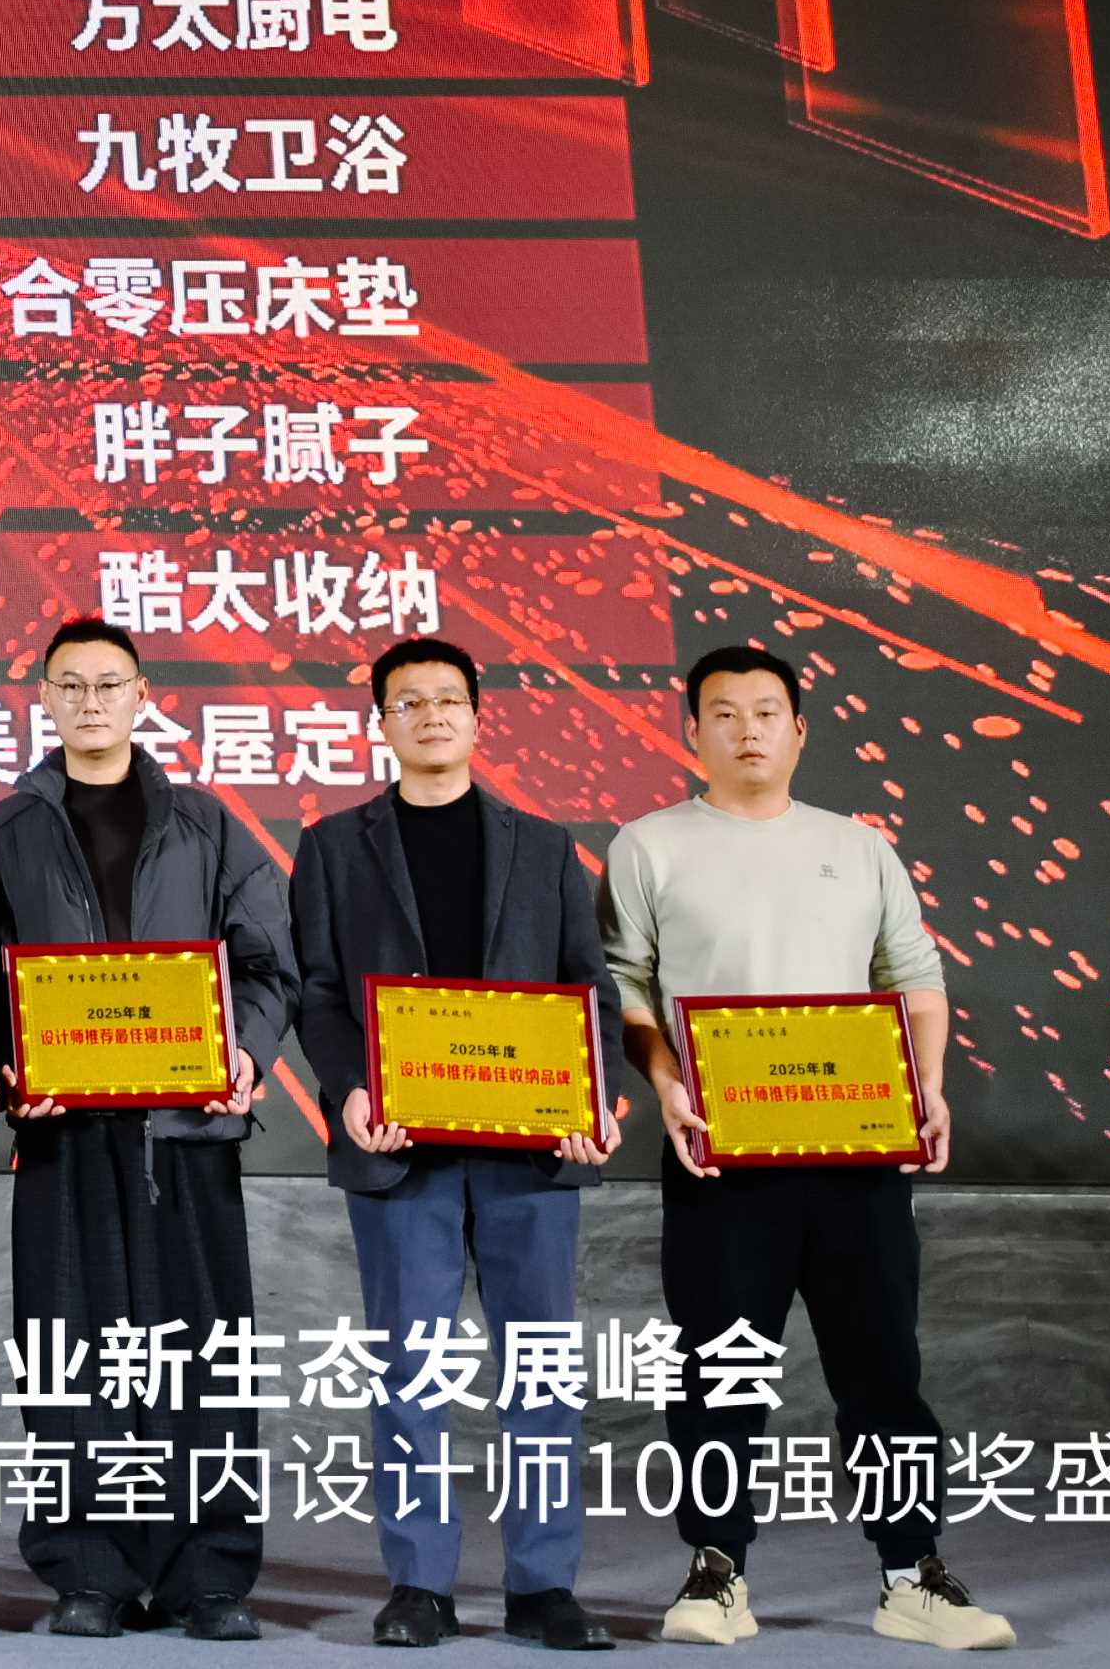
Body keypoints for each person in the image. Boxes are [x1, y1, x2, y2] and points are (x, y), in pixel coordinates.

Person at [605, 644, 1012, 1652]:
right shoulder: (647, 845)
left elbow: (914, 973)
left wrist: (926, 1086)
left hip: (855, 1153)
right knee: (719, 1370)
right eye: (724, 712)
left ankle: (911, 1574)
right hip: (720, 1156)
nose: (746, 728)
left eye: (765, 711)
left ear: (799, 729)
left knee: (883, 1370)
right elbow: (627, 985)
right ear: (691, 731)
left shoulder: (858, 845)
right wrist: (669, 1089)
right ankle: (716, 1571)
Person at [285, 641, 627, 1653]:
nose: (431, 715)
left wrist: (594, 1098)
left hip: (528, 1149)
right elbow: (317, 994)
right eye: (409, 702)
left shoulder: (544, 845)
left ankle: (542, 1585)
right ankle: (419, 1583)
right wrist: (348, 1089)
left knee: (540, 1372)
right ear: (380, 723)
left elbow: (590, 990)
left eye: (448, 700)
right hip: (402, 1150)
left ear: (478, 717)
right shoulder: (333, 847)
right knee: (409, 1373)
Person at [0, 618, 294, 1641]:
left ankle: (209, 1573)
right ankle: (89, 1568)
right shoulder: (5, 830)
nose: (91, 700)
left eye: (109, 683)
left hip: (183, 1127)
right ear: (45, 699)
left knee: (201, 1350)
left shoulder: (206, 822)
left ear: (143, 694)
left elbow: (267, 961)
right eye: (70, 684)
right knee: (69, 1350)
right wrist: (9, 1067)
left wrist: (246, 1054)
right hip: (64, 1132)